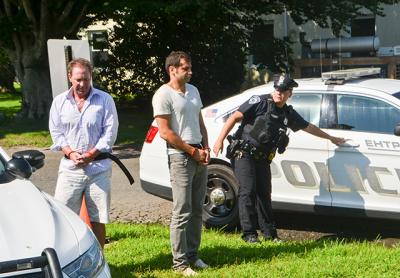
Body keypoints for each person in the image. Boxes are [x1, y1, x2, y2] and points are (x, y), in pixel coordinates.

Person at [213, 75, 345, 243]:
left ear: (290, 93)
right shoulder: (259, 102)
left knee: (264, 194)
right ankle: (249, 234)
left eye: (283, 91)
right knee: (248, 191)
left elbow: (308, 127)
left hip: (262, 158)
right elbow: (234, 117)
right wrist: (219, 140)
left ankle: (270, 234)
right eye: (277, 89)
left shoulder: (287, 113)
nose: (278, 93)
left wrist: (331, 138)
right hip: (244, 153)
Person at [49, 58, 119, 249]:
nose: (82, 84)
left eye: (86, 79)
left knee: (98, 219)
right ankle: (68, 258)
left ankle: (98, 260)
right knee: (63, 216)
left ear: (91, 77)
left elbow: (110, 132)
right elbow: (56, 132)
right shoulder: (60, 102)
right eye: (78, 79)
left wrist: (92, 153)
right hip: (70, 169)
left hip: (98, 169)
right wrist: (70, 152)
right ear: (69, 77)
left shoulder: (104, 99)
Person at [152, 51, 210, 276]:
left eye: (190, 67)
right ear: (172, 69)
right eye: (185, 68)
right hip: (180, 157)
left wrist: (205, 147)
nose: (190, 72)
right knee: (182, 210)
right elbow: (165, 133)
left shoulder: (193, 90)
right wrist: (192, 151)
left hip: (198, 153)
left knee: (197, 209)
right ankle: (180, 263)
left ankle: (193, 256)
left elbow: (199, 120)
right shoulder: (162, 95)